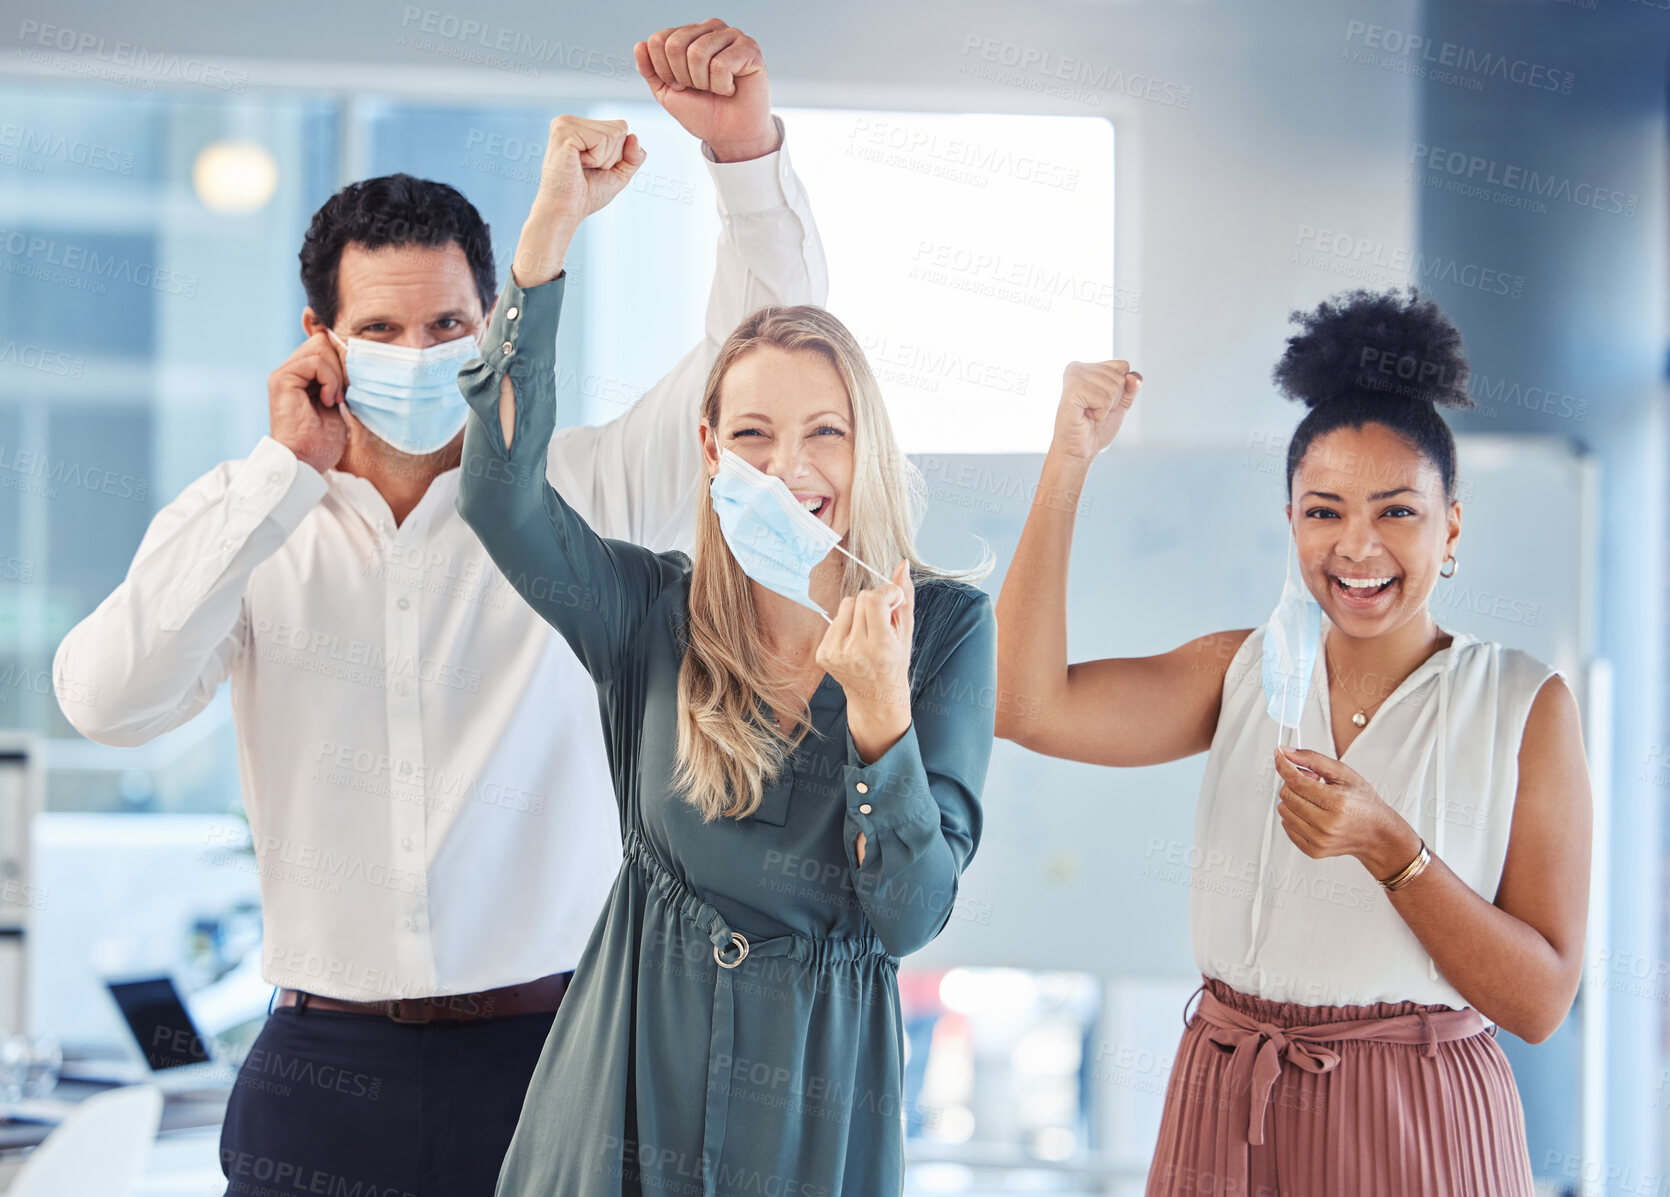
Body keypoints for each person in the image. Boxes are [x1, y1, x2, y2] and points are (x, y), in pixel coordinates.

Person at [52, 20, 826, 1197]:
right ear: (322, 340)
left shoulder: (584, 495)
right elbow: (108, 705)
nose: (416, 355)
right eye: (379, 330)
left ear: (492, 326)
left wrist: (741, 154)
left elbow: (773, 358)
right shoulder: (247, 520)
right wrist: (279, 478)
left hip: (554, 1053)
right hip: (319, 1063)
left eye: (448, 326)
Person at [454, 115, 995, 1197]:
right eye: (751, 435)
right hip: (617, 1088)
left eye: (822, 433)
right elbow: (498, 497)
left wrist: (880, 721)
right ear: (708, 451)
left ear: (864, 446)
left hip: (807, 1106)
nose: (787, 466)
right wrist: (549, 232)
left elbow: (909, 916)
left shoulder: (939, 628)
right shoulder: (650, 612)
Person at [994, 289, 1591, 1196]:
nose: (1358, 545)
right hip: (1226, 1098)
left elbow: (1541, 1001)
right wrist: (1069, 458)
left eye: (1397, 511)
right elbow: (1024, 703)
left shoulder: (1522, 704)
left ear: (1452, 527)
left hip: (1416, 1116)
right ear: (1290, 523)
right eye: (1324, 511)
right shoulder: (1237, 671)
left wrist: (1392, 851)